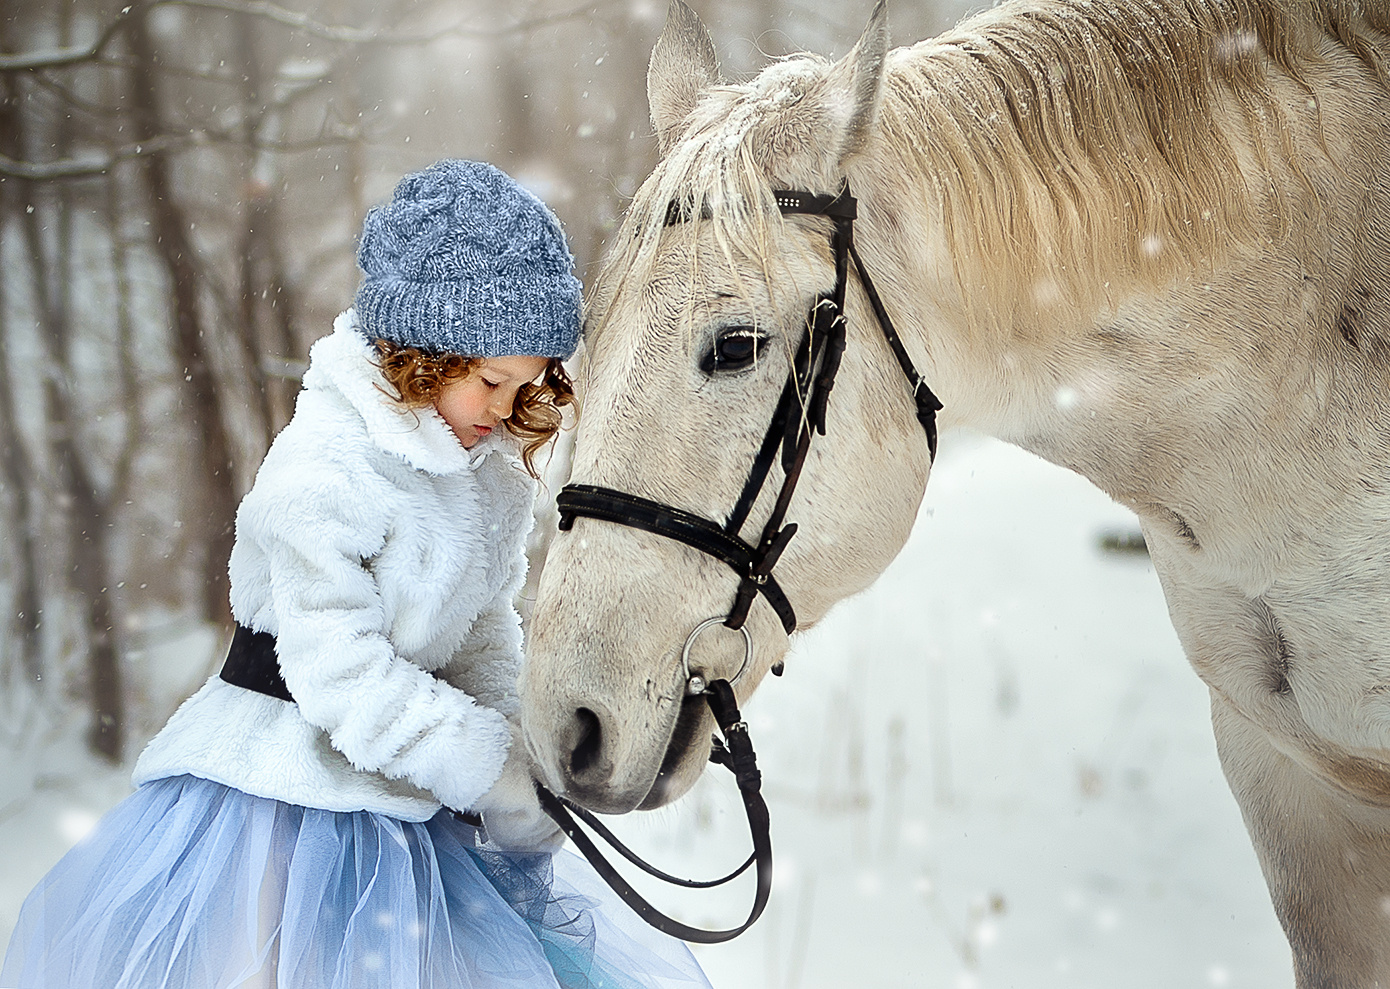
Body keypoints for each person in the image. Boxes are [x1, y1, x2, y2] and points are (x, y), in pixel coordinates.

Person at [1, 159, 712, 989]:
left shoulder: (485, 475)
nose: (503, 408)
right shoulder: (324, 472)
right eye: (490, 380)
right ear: (422, 352)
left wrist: (524, 745)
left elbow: (482, 630)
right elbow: (338, 674)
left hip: (414, 787)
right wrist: (482, 763)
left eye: (527, 385)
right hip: (284, 803)